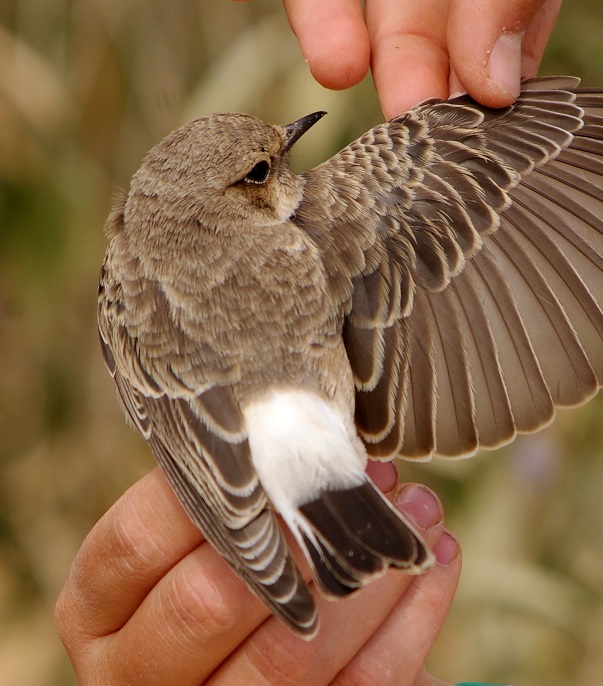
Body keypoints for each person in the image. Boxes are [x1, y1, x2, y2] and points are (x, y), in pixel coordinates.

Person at [55, 1, 561, 683]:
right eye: (263, 169)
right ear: (235, 197)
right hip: (325, 429)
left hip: (242, 472)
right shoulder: (339, 220)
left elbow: (172, 427)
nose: (284, 151)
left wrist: (246, 530)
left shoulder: (128, 282)